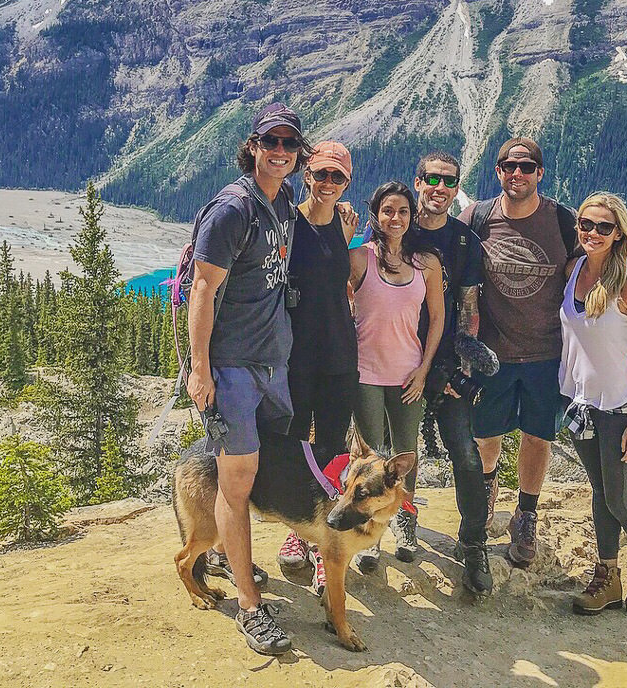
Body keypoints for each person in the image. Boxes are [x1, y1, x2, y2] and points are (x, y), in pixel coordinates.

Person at [185, 102, 307, 655]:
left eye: (289, 144)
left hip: (269, 364)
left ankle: (227, 559)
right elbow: (203, 290)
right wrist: (202, 368)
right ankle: (250, 607)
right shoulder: (233, 210)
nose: (280, 152)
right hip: (232, 368)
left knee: (252, 473)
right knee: (236, 487)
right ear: (253, 146)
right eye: (270, 142)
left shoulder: (281, 203)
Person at [457, 137, 576, 568]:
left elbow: (592, 274)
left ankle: (525, 513)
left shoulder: (564, 221)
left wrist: (620, 321)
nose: (518, 174)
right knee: (486, 435)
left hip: (548, 353)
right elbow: (453, 270)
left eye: (527, 167)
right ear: (498, 171)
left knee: (537, 436)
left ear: (540, 174)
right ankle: (487, 497)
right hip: (493, 353)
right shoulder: (478, 217)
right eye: (509, 166)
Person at [558, 192, 627, 615]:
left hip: (619, 407)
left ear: (619, 233)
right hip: (582, 404)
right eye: (586, 224)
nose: (593, 233)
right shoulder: (574, 270)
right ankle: (608, 576)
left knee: (620, 499)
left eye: (604, 227)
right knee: (601, 495)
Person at [349, 181, 444, 573]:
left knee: (406, 455)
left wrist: (424, 370)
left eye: (403, 211)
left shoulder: (427, 264)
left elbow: (437, 318)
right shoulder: (359, 259)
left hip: (408, 373)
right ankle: (369, 529)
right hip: (366, 372)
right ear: (377, 214)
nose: (396, 218)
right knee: (369, 456)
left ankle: (405, 521)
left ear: (412, 215)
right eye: (388, 210)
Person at [278, 141, 359, 590]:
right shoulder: (289, 221)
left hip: (339, 356)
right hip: (296, 357)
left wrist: (344, 238)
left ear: (347, 181)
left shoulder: (343, 226)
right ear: (306, 175)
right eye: (321, 175)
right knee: (295, 446)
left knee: (331, 447)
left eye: (338, 177)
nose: (328, 183)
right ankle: (297, 533)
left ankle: (327, 537)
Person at [411, 151, 492, 595]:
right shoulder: (396, 227)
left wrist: (462, 370)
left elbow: (469, 308)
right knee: (395, 450)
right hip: (398, 364)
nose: (440, 188)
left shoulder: (464, 243)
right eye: (433, 179)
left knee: (465, 454)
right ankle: (401, 523)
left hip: (444, 367)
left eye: (449, 181)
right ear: (418, 181)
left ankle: (473, 543)